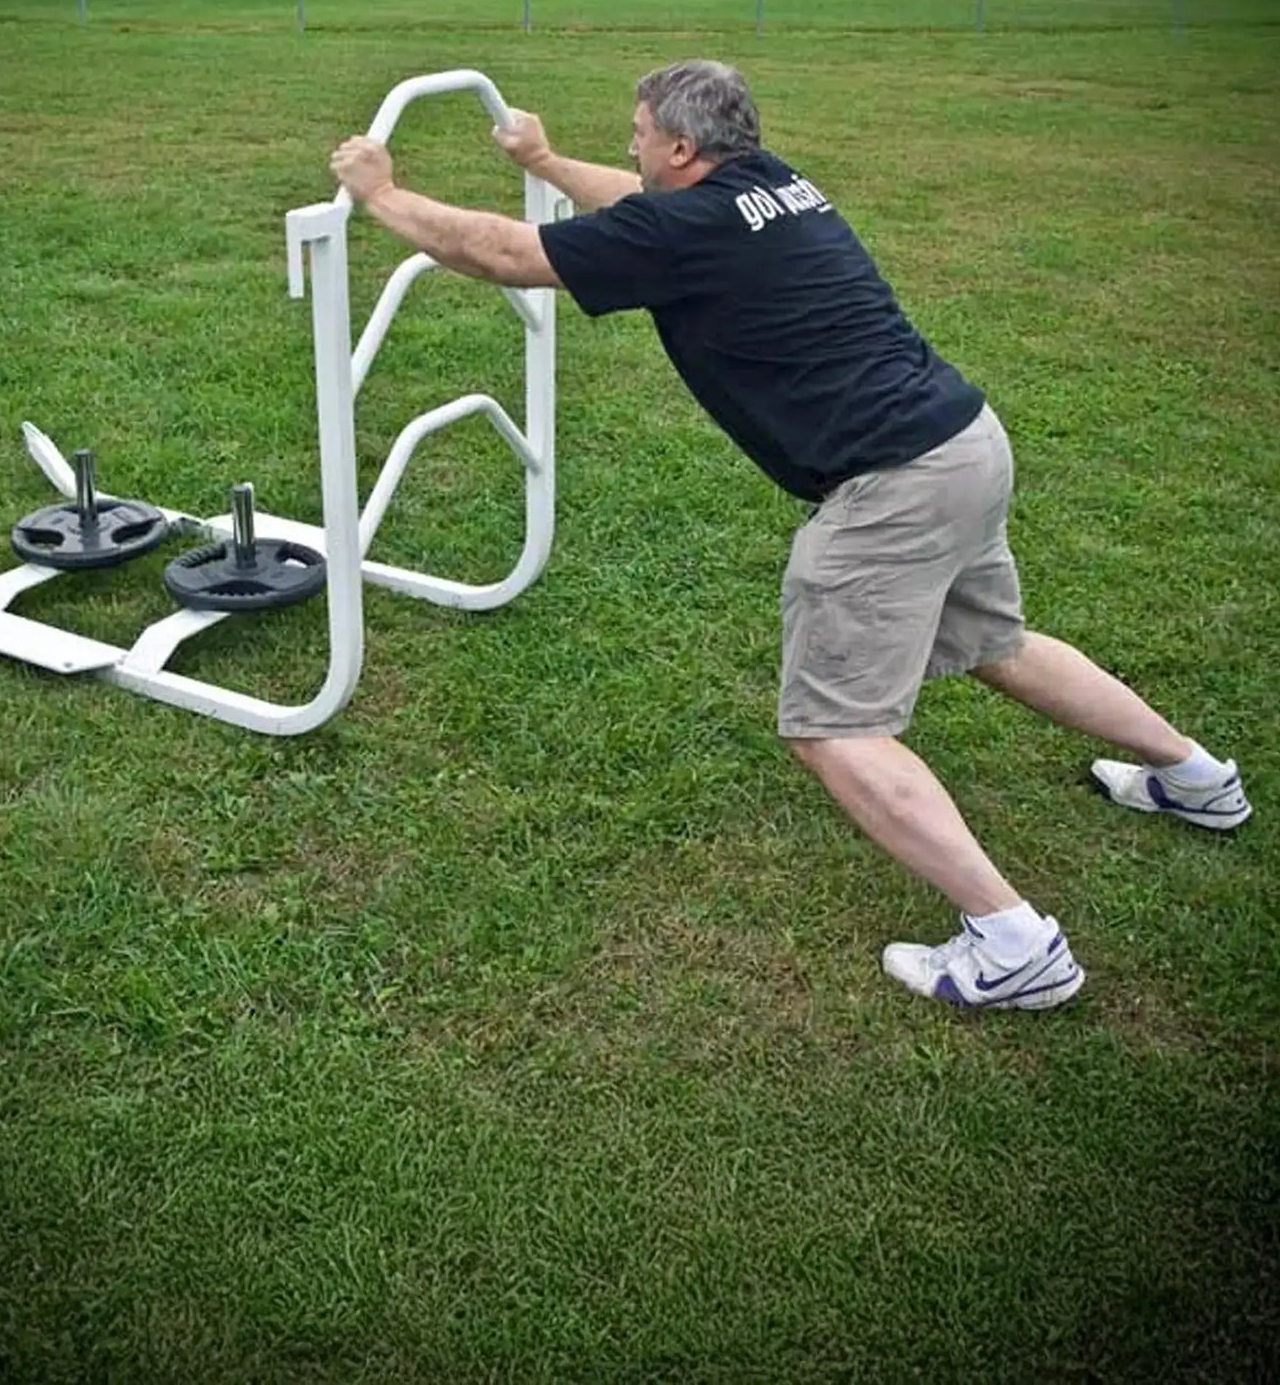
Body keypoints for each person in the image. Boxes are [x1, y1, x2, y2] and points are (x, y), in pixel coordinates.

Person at [328, 59, 1251, 1011]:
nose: (633, 144)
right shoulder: (768, 185)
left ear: (682, 147)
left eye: (639, 131)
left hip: (889, 487)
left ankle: (1014, 943)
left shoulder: (685, 220)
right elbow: (632, 210)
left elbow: (510, 254)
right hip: (961, 444)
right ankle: (1197, 777)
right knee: (996, 646)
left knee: (835, 728)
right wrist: (551, 159)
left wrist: (384, 194)